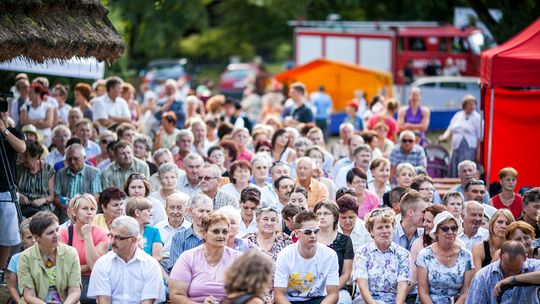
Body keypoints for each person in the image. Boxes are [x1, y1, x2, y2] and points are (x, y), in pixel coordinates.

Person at [87, 216, 166, 303]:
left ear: (133, 240)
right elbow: (104, 301)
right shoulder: (103, 263)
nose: (112, 242)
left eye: (118, 238)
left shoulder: (150, 264)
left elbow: (147, 301)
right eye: (111, 236)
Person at [169, 212, 243, 303]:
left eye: (225, 232)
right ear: (204, 233)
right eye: (216, 231)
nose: (221, 236)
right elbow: (176, 295)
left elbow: (248, 294)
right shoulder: (188, 257)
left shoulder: (239, 259)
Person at [274, 210, 339, 304]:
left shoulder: (330, 255)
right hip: (291, 301)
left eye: (316, 231)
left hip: (319, 300)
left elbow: (333, 294)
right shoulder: (285, 255)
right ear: (296, 233)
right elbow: (278, 295)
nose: (313, 235)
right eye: (307, 232)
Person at [18, 211, 81, 304]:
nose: (56, 235)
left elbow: (75, 291)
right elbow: (29, 295)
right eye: (50, 233)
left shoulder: (71, 253)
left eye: (57, 229)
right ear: (37, 238)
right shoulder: (25, 257)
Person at [352, 207, 410, 304]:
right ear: (371, 231)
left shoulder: (403, 254)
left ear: (393, 228)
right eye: (380, 227)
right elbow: (362, 286)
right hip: (366, 300)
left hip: (394, 301)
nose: (385, 231)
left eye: (387, 226)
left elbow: (402, 286)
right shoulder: (362, 252)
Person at [59, 194, 109, 303]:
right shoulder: (64, 233)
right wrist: (85, 268)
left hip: (94, 282)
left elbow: (95, 266)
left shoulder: (103, 234)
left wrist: (87, 236)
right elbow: (63, 267)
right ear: (73, 212)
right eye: (85, 208)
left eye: (92, 209)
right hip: (70, 282)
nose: (90, 212)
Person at [416, 211, 474, 304]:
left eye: (454, 228)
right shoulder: (424, 255)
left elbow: (466, 292)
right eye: (445, 229)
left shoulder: (466, 255)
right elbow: (423, 292)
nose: (450, 232)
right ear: (436, 233)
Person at [466, 241, 540, 304]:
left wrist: (512, 279)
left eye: (516, 270)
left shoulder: (533, 266)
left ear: (525, 258)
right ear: (500, 256)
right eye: (507, 269)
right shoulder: (483, 276)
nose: (511, 273)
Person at [0, 110, 26, 274]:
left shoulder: (14, 132)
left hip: (7, 189)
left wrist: (4, 130)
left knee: (7, 234)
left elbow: (22, 147)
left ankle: (1, 269)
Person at [314, 201, 354, 304]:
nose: (322, 217)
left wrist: (328, 291)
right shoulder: (310, 238)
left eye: (326, 213)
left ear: (335, 217)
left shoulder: (345, 240)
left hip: (338, 288)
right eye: (318, 214)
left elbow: (346, 274)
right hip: (311, 288)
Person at [55, 144, 102, 223]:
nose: (72, 162)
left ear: (84, 158)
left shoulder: (94, 172)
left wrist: (80, 208)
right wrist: (65, 205)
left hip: (87, 211)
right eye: (69, 159)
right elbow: (57, 196)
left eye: (76, 159)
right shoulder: (61, 173)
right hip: (67, 211)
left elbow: (96, 197)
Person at [408, 204, 446, 300]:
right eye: (424, 220)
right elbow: (413, 277)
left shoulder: (457, 244)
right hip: (423, 294)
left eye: (428, 221)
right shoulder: (418, 243)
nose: (424, 224)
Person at [438, 95, 482, 177]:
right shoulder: (458, 115)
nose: (471, 106)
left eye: (473, 104)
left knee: (467, 167)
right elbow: (450, 128)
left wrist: (478, 153)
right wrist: (444, 137)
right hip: (456, 148)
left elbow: (479, 137)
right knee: (455, 167)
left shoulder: (477, 117)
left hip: (469, 149)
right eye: (469, 104)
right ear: (464, 105)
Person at [168, 194, 214, 270]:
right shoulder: (180, 237)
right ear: (190, 211)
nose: (205, 215)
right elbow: (175, 267)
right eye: (201, 211)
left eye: (208, 211)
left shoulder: (216, 236)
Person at [17, 140, 55, 218]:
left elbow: (52, 196)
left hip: (42, 208)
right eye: (22, 155)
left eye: (26, 156)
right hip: (23, 208)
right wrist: (19, 196)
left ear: (36, 156)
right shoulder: (19, 168)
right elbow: (13, 189)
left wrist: (43, 200)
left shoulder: (48, 169)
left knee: (43, 220)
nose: (22, 159)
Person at [154, 192, 192, 268]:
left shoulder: (191, 229)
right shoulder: (157, 228)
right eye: (171, 207)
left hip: (183, 265)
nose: (175, 212)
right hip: (161, 265)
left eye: (179, 207)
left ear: (186, 210)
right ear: (166, 210)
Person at [6, 219, 35, 303]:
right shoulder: (16, 259)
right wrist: (19, 302)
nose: (33, 240)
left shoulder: (48, 257)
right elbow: (12, 287)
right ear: (22, 238)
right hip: (22, 298)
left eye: (35, 236)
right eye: (29, 237)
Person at [125, 197, 163, 261]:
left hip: (149, 268)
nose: (150, 214)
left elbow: (157, 257)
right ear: (137, 213)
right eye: (148, 211)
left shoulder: (154, 232)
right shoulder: (122, 232)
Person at [20, 82, 54, 146]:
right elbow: (23, 122)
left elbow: (48, 123)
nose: (28, 94)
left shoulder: (48, 106)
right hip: (29, 140)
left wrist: (30, 123)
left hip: (45, 139)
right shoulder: (25, 106)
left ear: (37, 93)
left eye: (30, 92)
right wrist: (39, 122)